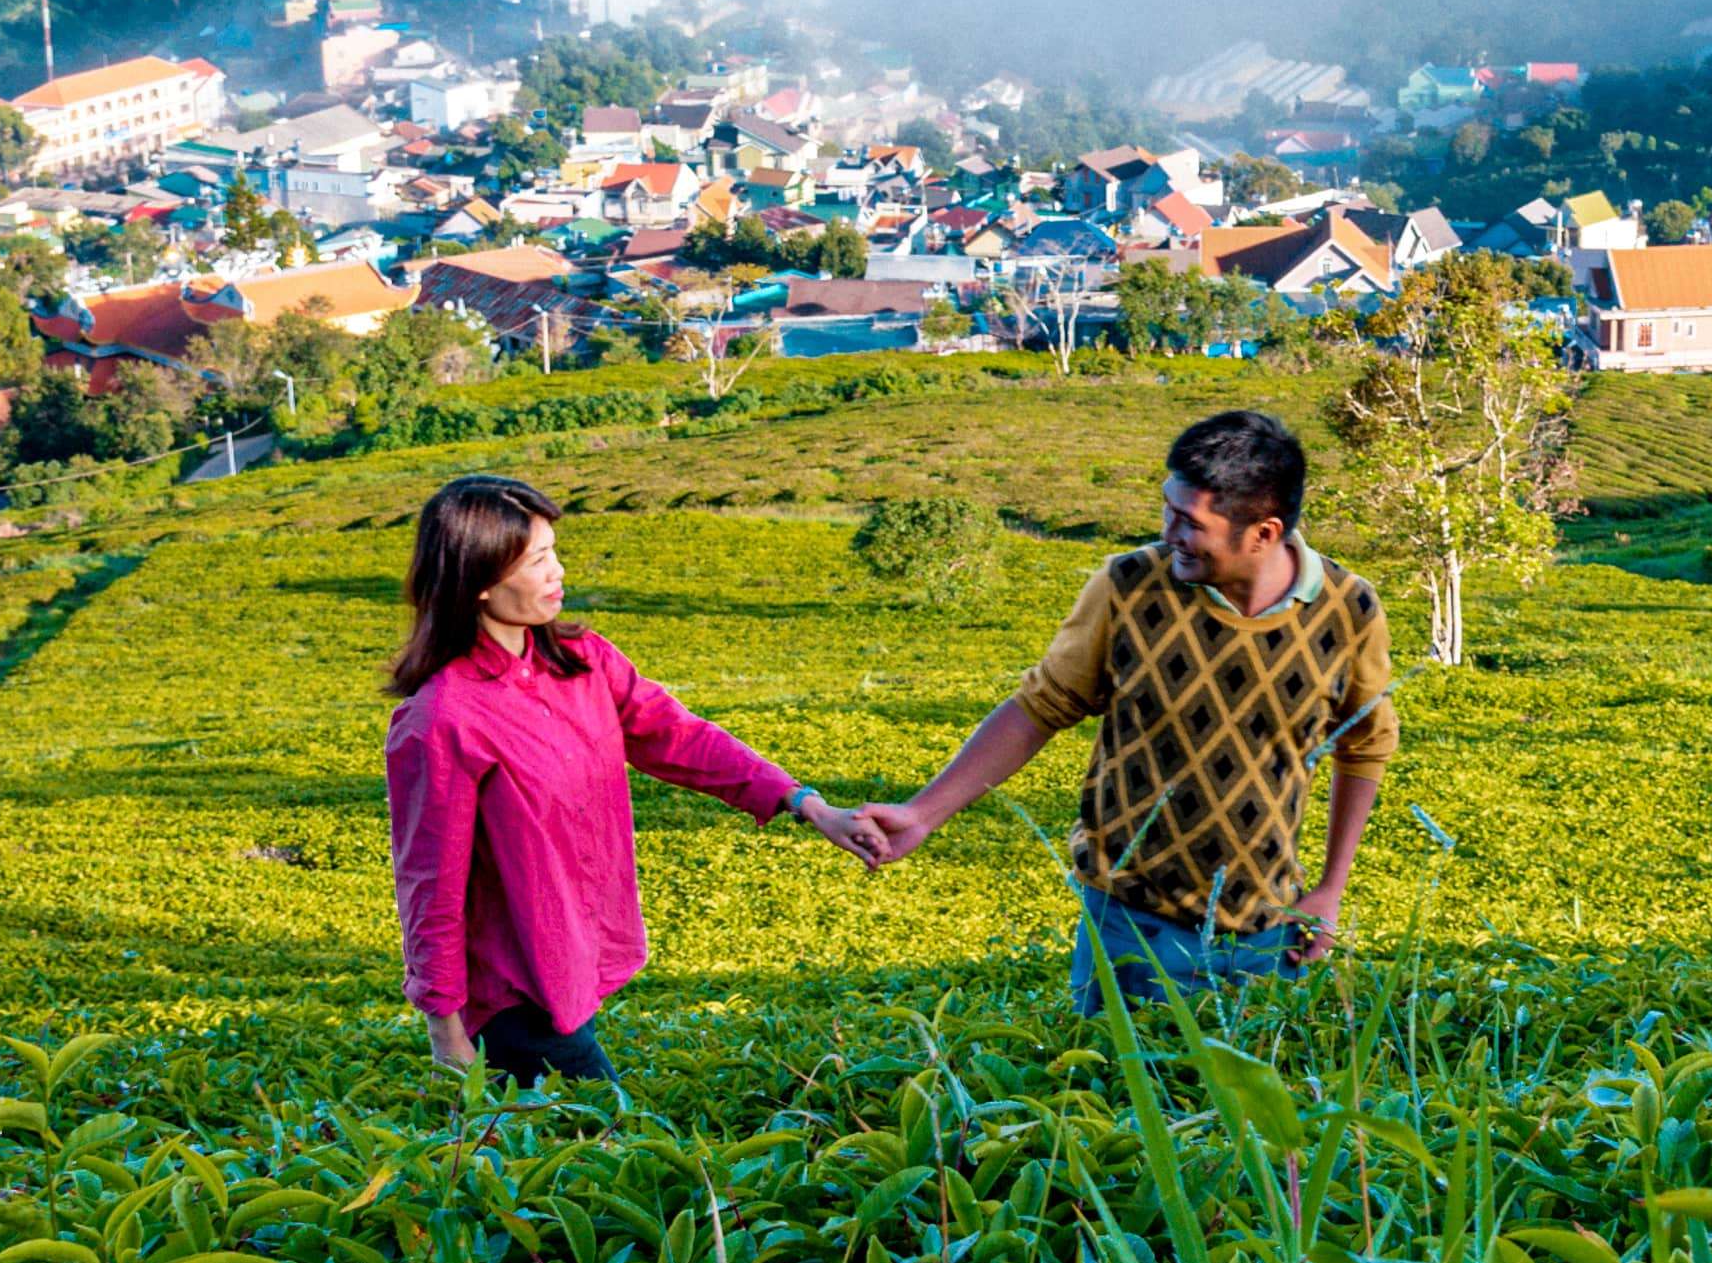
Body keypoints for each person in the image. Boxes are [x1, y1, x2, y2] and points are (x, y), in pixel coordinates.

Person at [861, 405, 1392, 1009]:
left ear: (1263, 533)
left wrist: (1331, 888)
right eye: (1167, 508)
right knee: (1119, 1092)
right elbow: (1041, 706)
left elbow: (1365, 743)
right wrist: (924, 813)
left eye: (1189, 522)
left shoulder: (1349, 610)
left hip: (1270, 934)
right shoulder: (1129, 586)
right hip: (1130, 925)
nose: (1168, 533)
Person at [382, 475, 878, 1083]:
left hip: (569, 969)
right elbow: (431, 884)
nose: (558, 571)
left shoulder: (583, 659)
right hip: (508, 1000)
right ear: (481, 582)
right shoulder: (441, 720)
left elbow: (679, 736)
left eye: (554, 551)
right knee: (621, 1147)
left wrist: (806, 804)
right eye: (538, 560)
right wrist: (445, 1030)